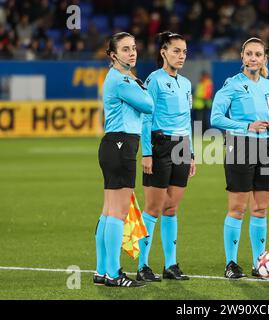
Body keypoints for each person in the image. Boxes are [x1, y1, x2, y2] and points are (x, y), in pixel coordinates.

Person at [211, 37, 269, 279]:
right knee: (237, 209)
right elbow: (216, 117)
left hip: (268, 148)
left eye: (258, 54)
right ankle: (231, 263)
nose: (253, 58)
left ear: (264, 59)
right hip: (240, 146)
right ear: (242, 57)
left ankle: (258, 263)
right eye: (249, 54)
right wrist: (246, 126)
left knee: (260, 209)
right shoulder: (231, 84)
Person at [94, 32, 154, 287]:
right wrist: (140, 86)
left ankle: (101, 271)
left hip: (112, 144)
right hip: (122, 144)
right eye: (126, 49)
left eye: (134, 48)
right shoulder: (121, 80)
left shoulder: (118, 78)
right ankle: (113, 273)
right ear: (113, 55)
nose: (132, 53)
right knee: (117, 213)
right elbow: (149, 104)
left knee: (109, 212)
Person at [137, 31, 195, 281]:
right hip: (160, 145)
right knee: (153, 208)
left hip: (182, 146)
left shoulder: (186, 83)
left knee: (171, 208)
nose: (181, 56)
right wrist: (147, 153)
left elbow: (187, 121)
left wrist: (191, 152)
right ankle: (142, 265)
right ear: (163, 52)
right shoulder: (154, 80)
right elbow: (146, 118)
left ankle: (171, 265)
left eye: (183, 52)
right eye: (176, 51)